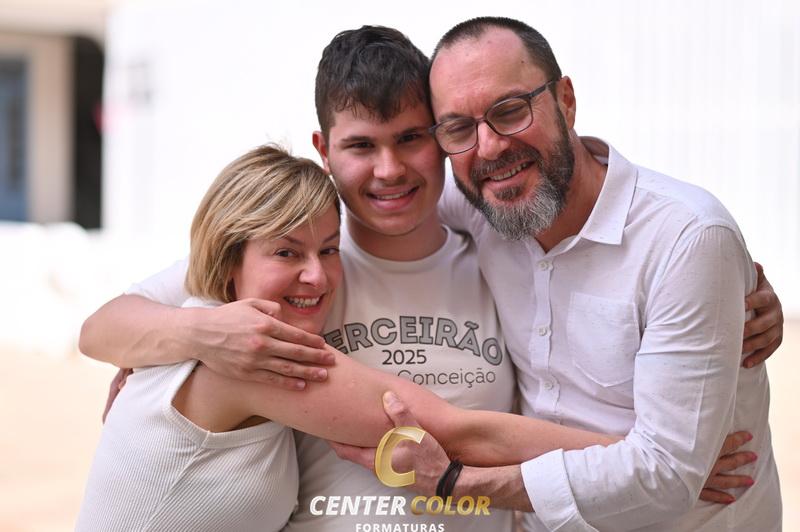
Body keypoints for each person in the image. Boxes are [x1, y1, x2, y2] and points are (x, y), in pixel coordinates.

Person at [79, 26, 782, 531]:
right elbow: (110, 322)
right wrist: (193, 334)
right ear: (325, 150)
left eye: (413, 138)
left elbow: (660, 237)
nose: (390, 172)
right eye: (361, 146)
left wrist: (668, 458)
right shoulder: (295, 258)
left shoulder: (487, 219)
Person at [335, 17, 782, 531]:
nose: (489, 147)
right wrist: (243, 307)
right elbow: (368, 190)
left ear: (565, 100)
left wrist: (458, 483)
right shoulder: (482, 196)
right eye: (458, 128)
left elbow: (666, 478)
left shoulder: (685, 240)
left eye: (510, 110)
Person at [77, 144, 635, 532]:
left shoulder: (203, 330)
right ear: (228, 262)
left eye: (328, 249)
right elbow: (455, 430)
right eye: (286, 252)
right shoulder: (247, 353)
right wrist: (636, 457)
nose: (316, 276)